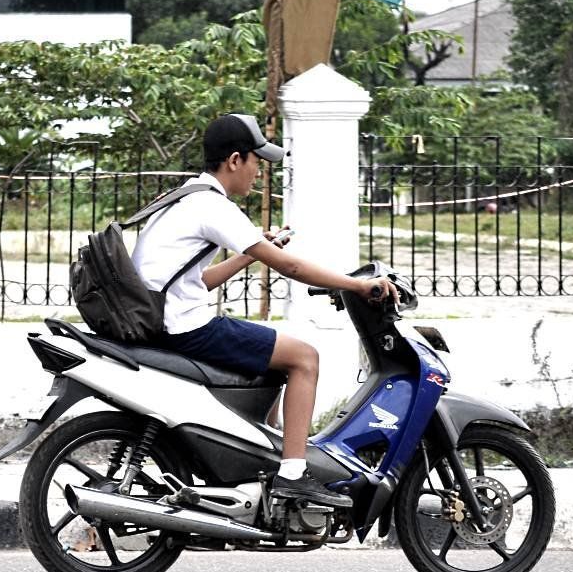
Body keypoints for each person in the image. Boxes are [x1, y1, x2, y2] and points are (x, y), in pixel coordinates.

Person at [132, 113, 397, 508]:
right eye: (256, 162)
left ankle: (261, 460)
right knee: (304, 357)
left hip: (165, 320)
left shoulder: (186, 197)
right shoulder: (212, 206)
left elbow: (198, 282)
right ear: (234, 160)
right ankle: (293, 473)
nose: (259, 173)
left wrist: (247, 254)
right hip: (185, 328)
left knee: (272, 360)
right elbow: (290, 268)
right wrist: (357, 284)